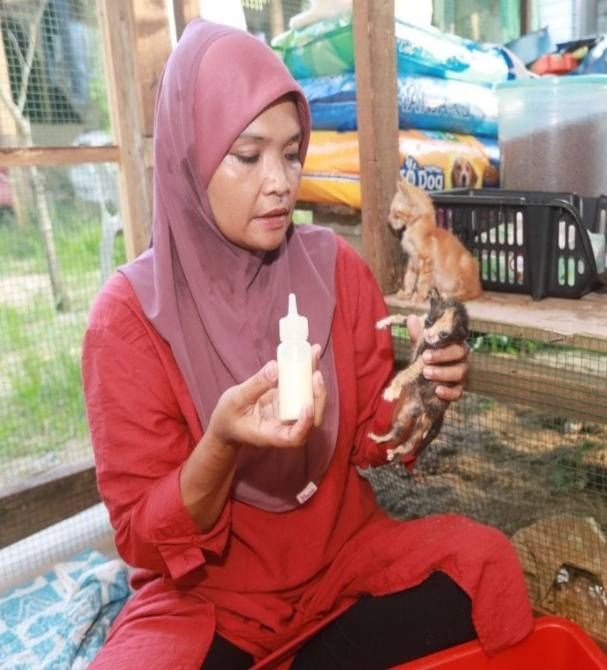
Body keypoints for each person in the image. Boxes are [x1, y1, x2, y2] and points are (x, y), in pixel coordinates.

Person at [81, 19, 533, 670]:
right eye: (249, 155)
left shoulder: (334, 269)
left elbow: (371, 442)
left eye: (292, 153)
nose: (280, 181)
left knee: (482, 565)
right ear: (190, 155)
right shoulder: (127, 320)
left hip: (339, 561)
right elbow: (144, 541)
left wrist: (424, 391)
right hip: (212, 596)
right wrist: (222, 446)